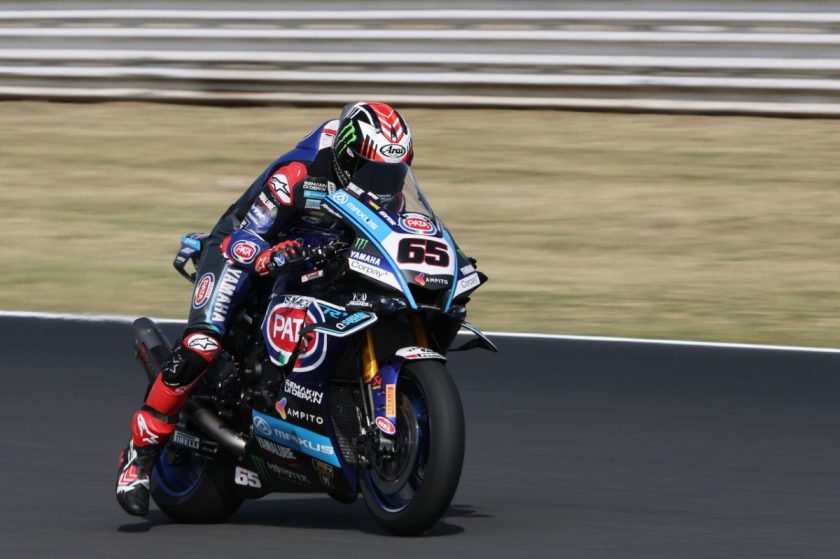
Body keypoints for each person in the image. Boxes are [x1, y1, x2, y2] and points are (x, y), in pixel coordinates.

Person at [116, 102, 414, 516]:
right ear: (347, 160)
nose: (384, 185)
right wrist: (277, 252)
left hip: (316, 250)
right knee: (203, 344)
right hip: (243, 244)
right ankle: (139, 456)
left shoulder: (389, 191)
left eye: (393, 174)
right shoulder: (298, 175)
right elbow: (246, 238)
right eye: (374, 174)